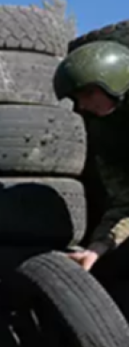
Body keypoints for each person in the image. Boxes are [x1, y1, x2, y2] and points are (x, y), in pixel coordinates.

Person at [53, 40, 129, 271]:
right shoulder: (108, 133)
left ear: (114, 83)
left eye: (88, 93)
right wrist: (96, 249)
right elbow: (125, 204)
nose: (82, 105)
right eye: (77, 98)